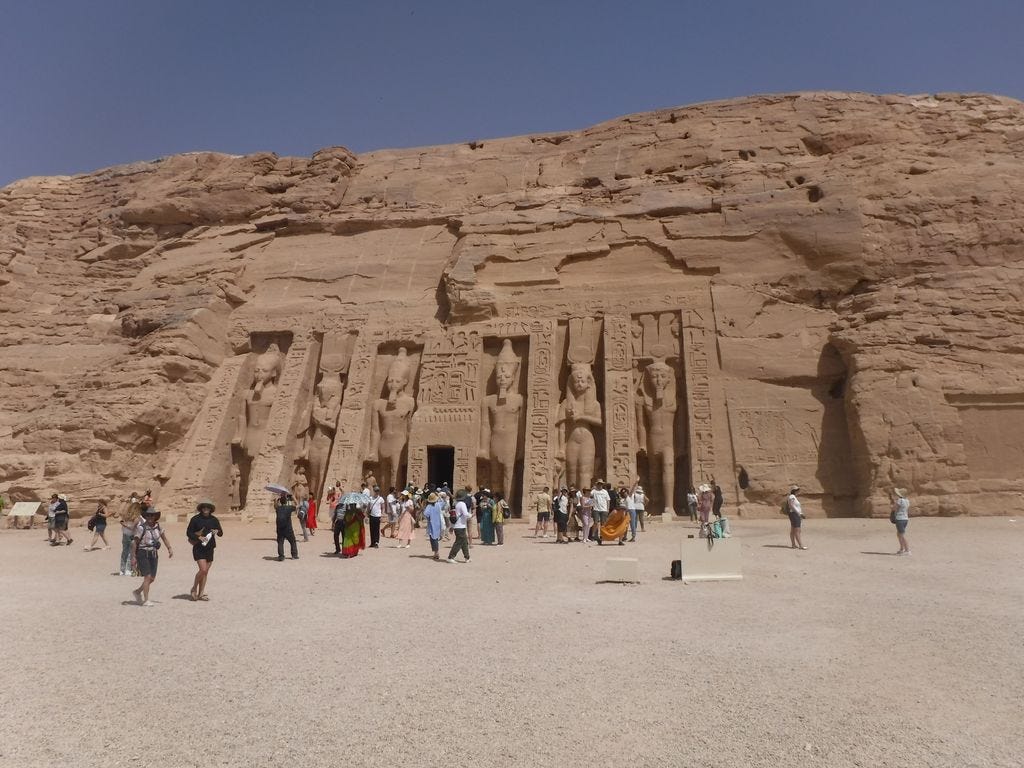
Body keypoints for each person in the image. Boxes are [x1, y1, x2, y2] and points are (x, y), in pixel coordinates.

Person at [131, 506, 173, 606]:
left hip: (153, 553)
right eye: (148, 515)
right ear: (146, 516)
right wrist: (133, 557)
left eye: (152, 515)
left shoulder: (158, 527)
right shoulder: (141, 528)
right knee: (147, 576)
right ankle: (146, 600)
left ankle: (137, 591)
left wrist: (169, 548)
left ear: (155, 517)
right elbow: (134, 543)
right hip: (143, 553)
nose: (150, 517)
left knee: (152, 578)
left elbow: (164, 538)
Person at [186, 500, 222, 601]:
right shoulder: (195, 519)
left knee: (205, 572)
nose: (206, 509)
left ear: (210, 509)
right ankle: (194, 588)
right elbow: (188, 532)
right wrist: (199, 538)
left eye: (208, 507)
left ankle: (201, 593)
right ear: (201, 508)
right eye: (204, 507)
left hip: (210, 547)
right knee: (203, 570)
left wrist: (217, 531)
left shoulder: (214, 519)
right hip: (198, 547)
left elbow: (221, 532)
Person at [119, 493, 141, 575]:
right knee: (130, 553)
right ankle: (128, 569)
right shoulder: (136, 518)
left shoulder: (127, 515)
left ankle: (122, 570)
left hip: (124, 534)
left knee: (124, 552)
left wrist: (125, 502)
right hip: (131, 535)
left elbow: (120, 512)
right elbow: (132, 528)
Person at [446, 491, 472, 563]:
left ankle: (467, 557)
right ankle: (451, 557)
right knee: (459, 542)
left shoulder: (456, 503)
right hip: (460, 526)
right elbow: (466, 514)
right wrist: (471, 515)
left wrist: (452, 526)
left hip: (457, 525)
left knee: (464, 542)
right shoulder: (462, 504)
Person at [274, 494, 299, 561]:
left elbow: (275, 506)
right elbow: (297, 505)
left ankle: (281, 556)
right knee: (293, 541)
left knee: (280, 542)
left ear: (280, 502)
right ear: (286, 502)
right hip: (288, 529)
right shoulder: (289, 508)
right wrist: (294, 498)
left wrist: (276, 500)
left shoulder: (278, 509)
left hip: (280, 529)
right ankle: (294, 555)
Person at [422, 492, 444, 560]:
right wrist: (439, 497)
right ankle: (435, 553)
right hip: (438, 523)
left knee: (433, 538)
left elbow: (425, 514)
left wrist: (428, 518)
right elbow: (443, 502)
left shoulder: (429, 506)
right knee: (436, 538)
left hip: (432, 523)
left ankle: (436, 552)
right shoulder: (438, 504)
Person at [786, 485, 806, 550]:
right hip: (794, 514)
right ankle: (800, 545)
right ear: (794, 491)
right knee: (797, 530)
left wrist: (800, 513)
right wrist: (799, 513)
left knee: (793, 530)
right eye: (797, 490)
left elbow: (794, 506)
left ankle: (793, 545)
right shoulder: (792, 497)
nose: (798, 491)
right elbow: (791, 506)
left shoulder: (793, 497)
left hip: (794, 514)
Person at [892, 488, 911, 555]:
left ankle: (907, 550)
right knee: (899, 534)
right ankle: (902, 549)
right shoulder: (907, 501)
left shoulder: (900, 500)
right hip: (905, 519)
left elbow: (894, 508)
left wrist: (894, 503)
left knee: (902, 535)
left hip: (900, 519)